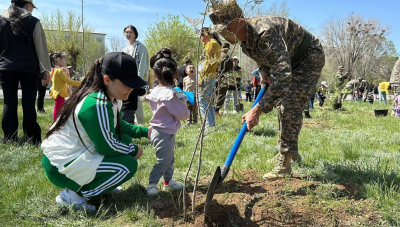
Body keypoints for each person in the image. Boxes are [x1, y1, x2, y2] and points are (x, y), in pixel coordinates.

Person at [209, 0, 325, 180]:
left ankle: (285, 164)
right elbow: (264, 60)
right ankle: (287, 152)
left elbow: (284, 77)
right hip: (289, 59)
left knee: (289, 104)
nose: (226, 34)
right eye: (222, 30)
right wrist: (264, 73)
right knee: (281, 104)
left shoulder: (265, 33)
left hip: (308, 57)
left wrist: (256, 109)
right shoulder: (245, 41)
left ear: (240, 19)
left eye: (228, 27)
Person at [41, 52, 150, 211]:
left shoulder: (108, 97)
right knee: (127, 165)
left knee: (124, 139)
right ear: (107, 80)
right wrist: (134, 150)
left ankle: (100, 184)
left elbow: (117, 126)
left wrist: (145, 132)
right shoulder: (97, 104)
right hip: (59, 166)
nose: (131, 88)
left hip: (73, 155)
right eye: (126, 83)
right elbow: (106, 146)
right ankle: (74, 194)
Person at [0, 0, 51, 144]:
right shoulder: (33, 21)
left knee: (9, 103)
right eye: (32, 7)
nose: (33, 10)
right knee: (28, 104)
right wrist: (46, 69)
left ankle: (10, 138)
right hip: (29, 69)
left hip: (6, 68)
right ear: (28, 5)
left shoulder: (1, 20)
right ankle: (32, 138)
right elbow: (41, 47)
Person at [145, 48, 190, 196]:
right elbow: (184, 114)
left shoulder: (156, 91)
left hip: (159, 131)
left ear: (155, 75)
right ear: (176, 74)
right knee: (164, 160)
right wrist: (184, 103)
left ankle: (168, 181)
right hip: (165, 132)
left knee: (169, 158)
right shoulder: (171, 95)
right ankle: (152, 183)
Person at [123, 25, 149, 125]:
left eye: (130, 32)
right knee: (129, 101)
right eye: (126, 32)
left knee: (137, 101)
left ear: (135, 34)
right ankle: (133, 123)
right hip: (127, 79)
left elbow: (143, 64)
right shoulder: (125, 49)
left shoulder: (141, 47)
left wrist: (139, 80)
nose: (128, 34)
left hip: (136, 78)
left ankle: (140, 124)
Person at [198, 27, 221, 128]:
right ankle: (211, 124)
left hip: (207, 77)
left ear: (206, 35)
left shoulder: (211, 44)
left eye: (201, 36)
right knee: (208, 101)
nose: (201, 38)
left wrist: (201, 78)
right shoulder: (211, 43)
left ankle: (208, 126)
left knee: (202, 101)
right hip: (210, 76)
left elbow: (208, 63)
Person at [49, 52, 82, 121]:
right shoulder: (59, 71)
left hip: (58, 93)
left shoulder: (55, 70)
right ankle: (55, 123)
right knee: (58, 110)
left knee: (59, 109)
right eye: (64, 60)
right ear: (58, 60)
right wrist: (81, 83)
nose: (65, 62)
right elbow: (69, 81)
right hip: (59, 93)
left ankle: (57, 122)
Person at [214, 43, 233, 116]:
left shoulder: (215, 55)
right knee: (222, 93)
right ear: (227, 49)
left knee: (215, 93)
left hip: (213, 76)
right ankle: (216, 110)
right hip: (222, 76)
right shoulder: (226, 57)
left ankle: (213, 109)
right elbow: (229, 67)